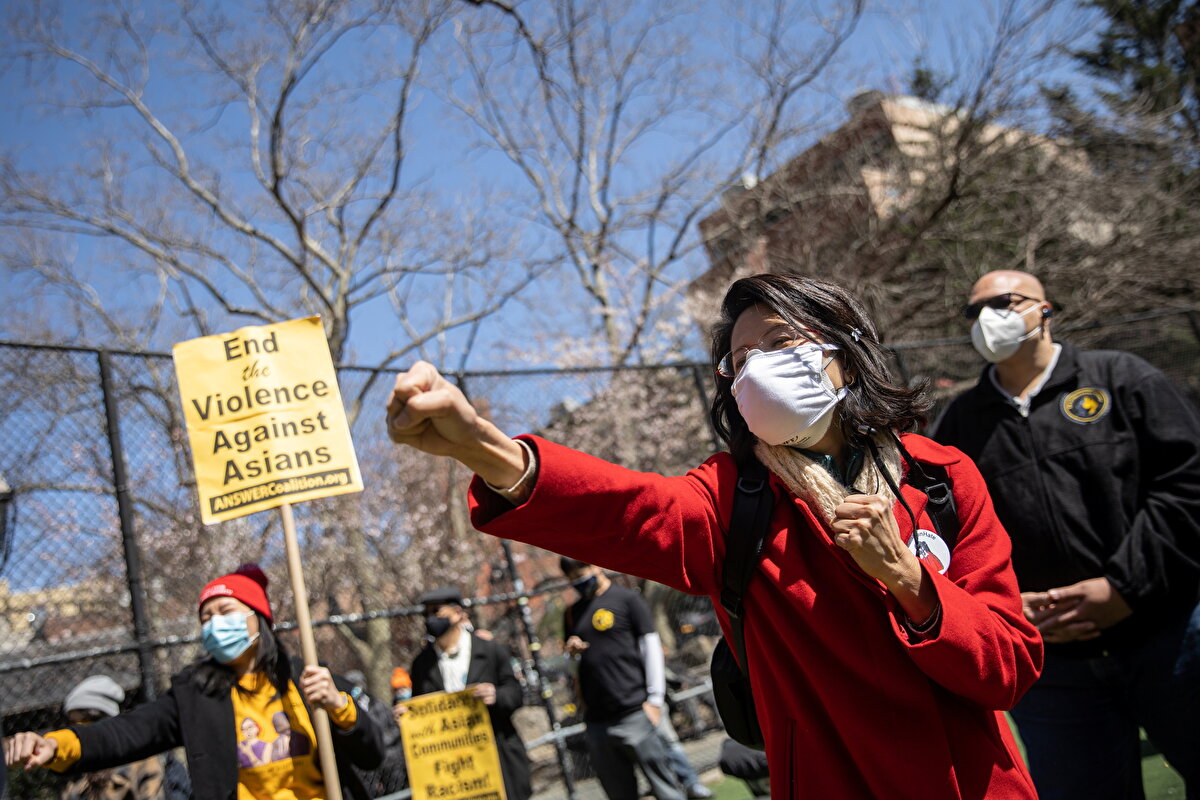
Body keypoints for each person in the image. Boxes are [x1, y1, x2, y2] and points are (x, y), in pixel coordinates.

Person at [385, 273, 1044, 800]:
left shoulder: (942, 477)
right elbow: (627, 512)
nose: (757, 370)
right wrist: (487, 448)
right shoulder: (734, 498)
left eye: (779, 342)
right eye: (739, 361)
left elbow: (1010, 668)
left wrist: (910, 583)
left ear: (843, 350)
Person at [934, 269, 1200, 799]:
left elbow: (1186, 487)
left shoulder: (1123, 377)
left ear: (1045, 309)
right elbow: (948, 537)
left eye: (1004, 302)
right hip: (1052, 669)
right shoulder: (958, 425)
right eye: (974, 311)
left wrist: (1123, 589)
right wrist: (1007, 608)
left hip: (1170, 636)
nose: (987, 318)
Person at [3, 563, 384, 800]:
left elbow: (372, 754)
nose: (215, 623)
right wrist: (56, 745)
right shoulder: (195, 696)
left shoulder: (309, 679)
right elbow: (126, 733)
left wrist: (339, 706)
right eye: (206, 617)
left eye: (226, 611)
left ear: (259, 619)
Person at [559, 558, 687, 800]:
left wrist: (655, 700)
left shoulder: (627, 600)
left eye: (581, 572)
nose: (578, 581)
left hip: (635, 711)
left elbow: (650, 649)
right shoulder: (572, 614)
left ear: (595, 566)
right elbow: (571, 669)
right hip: (597, 721)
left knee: (667, 790)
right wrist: (572, 656)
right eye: (572, 578)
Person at [401, 586, 532, 800]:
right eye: (426, 614)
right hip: (455, 773)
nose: (430, 619)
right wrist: (407, 715)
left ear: (459, 613)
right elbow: (420, 707)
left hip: (498, 759)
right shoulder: (421, 665)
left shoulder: (490, 651)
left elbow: (516, 694)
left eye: (437, 612)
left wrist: (496, 695)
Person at [57, 675, 168, 800]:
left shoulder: (141, 761)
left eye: (85, 722)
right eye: (73, 723)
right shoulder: (75, 773)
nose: (78, 731)